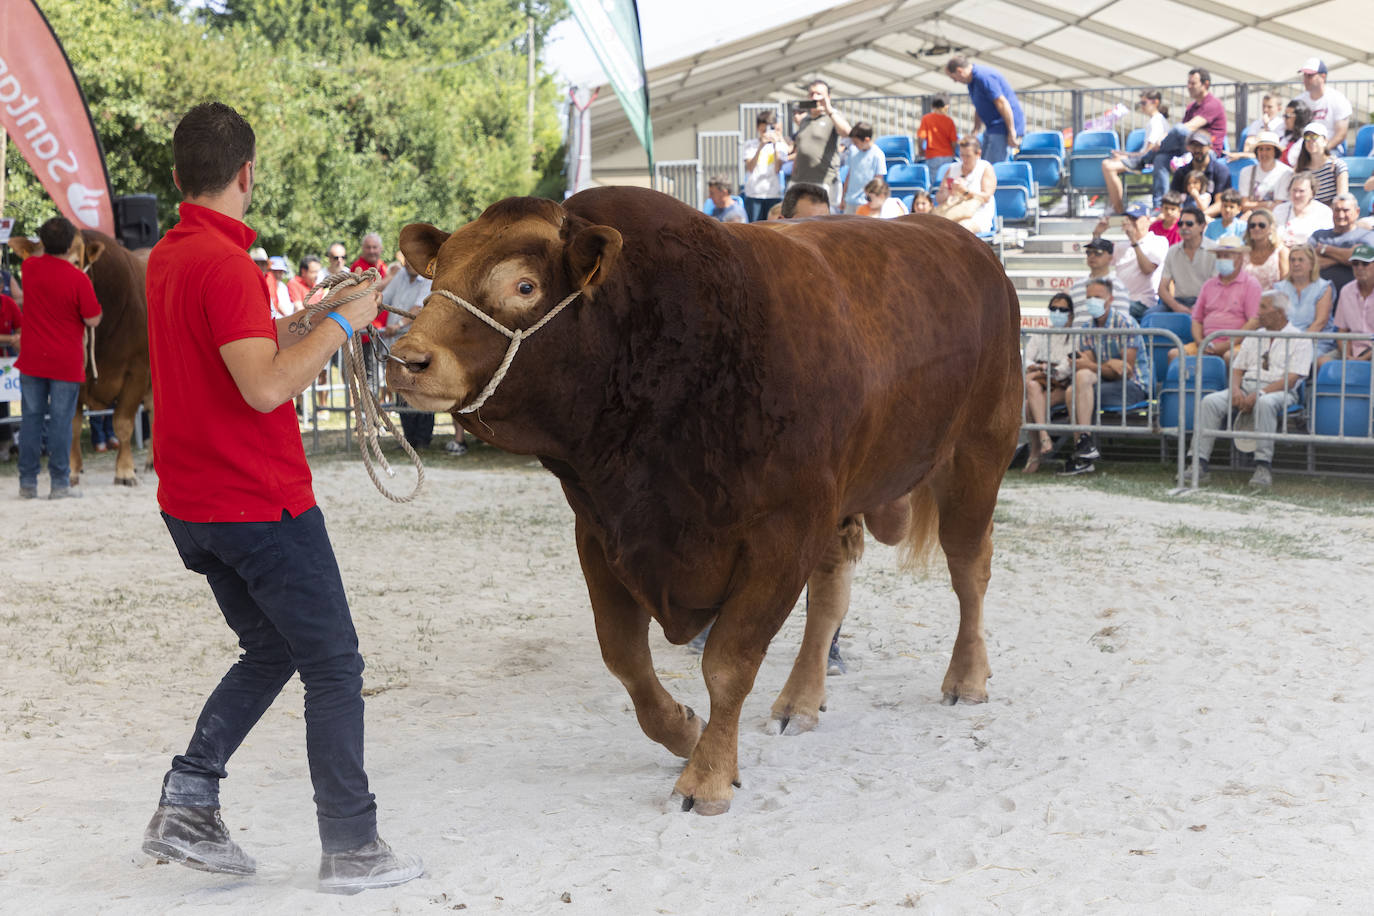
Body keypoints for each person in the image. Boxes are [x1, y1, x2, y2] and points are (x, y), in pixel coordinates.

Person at [140, 101, 422, 893]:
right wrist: (343, 326)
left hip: (194, 505)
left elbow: (243, 353)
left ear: (176, 176)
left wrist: (313, 314)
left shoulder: (170, 254)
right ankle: (353, 847)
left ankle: (190, 799)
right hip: (257, 503)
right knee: (333, 664)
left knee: (271, 650)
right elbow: (264, 388)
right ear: (246, 173)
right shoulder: (226, 264)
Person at [14, 216, 101, 500]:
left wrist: (46, 240)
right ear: (70, 245)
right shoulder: (78, 278)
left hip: (32, 358)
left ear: (43, 242)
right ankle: (59, 484)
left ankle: (27, 484)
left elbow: (40, 252)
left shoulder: (30, 267)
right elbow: (93, 319)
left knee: (31, 420)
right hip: (65, 361)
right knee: (61, 423)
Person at [1192, 289, 1312, 488]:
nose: (1258, 313)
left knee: (1264, 403)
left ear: (1279, 313)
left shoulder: (1300, 338)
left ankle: (1263, 466)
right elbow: (1238, 369)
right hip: (1247, 386)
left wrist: (1261, 393)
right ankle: (1198, 463)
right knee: (1210, 401)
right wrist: (1236, 389)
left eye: (1263, 307)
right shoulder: (1254, 335)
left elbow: (1290, 380)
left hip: (1279, 392)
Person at [1059, 279, 1146, 476]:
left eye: (1097, 297)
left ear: (1110, 299)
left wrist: (1097, 366)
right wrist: (1107, 366)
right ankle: (1085, 447)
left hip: (1132, 386)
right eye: (1089, 298)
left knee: (1078, 385)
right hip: (1103, 383)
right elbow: (1087, 368)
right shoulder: (1087, 328)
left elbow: (1126, 370)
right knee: (1076, 384)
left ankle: (1082, 452)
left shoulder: (1125, 323)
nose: (1092, 301)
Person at [1173, 234, 1262, 363]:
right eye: (1219, 256)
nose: (1221, 259)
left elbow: (1253, 321)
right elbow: (1196, 319)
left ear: (1240, 258)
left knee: (1230, 357)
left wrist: (1226, 344)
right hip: (1206, 342)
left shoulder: (1251, 284)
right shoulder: (1208, 285)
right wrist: (1200, 342)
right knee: (1175, 354)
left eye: (1227, 256)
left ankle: (1230, 384)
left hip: (1236, 344)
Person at [1150, 68, 1227, 207]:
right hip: (1189, 149)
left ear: (1206, 84)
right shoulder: (1191, 106)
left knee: (1179, 130)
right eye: (1188, 83)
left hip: (1208, 152)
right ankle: (1160, 206)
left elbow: (1188, 127)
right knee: (1161, 159)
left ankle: (1145, 157)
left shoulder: (1213, 104)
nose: (1189, 87)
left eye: (1193, 83)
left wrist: (1164, 138)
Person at [1022, 292, 1076, 473]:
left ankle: (1035, 453)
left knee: (1031, 401)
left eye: (1062, 309)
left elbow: (1065, 369)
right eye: (1053, 309)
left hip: (1062, 385)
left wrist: (1043, 369)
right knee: (1032, 388)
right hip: (1040, 382)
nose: (1057, 312)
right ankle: (1044, 437)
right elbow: (1026, 359)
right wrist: (1040, 368)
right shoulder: (1041, 334)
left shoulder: (1075, 336)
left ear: (1070, 313)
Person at [1093, 204, 1168, 319]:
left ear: (1147, 220)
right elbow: (1098, 261)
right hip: (1118, 299)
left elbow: (1147, 269)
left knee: (1108, 311)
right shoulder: (1122, 244)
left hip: (1143, 302)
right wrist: (1097, 235)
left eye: (1135, 219)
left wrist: (1134, 241)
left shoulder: (1158, 241)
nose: (1131, 223)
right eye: (1128, 219)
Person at [944, 55, 1023, 164]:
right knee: (983, 164)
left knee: (992, 166)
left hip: (1002, 127)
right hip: (992, 127)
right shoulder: (972, 82)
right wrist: (976, 129)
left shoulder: (983, 77)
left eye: (954, 78)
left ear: (959, 71)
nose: (955, 81)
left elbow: (1002, 103)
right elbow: (980, 106)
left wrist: (1011, 131)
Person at [1102, 90, 1169, 214]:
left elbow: (1147, 153)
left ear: (1155, 102)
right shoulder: (1155, 120)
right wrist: (1123, 155)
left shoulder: (1156, 122)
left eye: (1144, 102)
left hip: (1147, 161)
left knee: (1108, 166)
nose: (1142, 106)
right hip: (1144, 159)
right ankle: (1115, 206)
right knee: (1111, 162)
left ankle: (1118, 209)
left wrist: (1125, 155)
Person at [789, 79, 851, 211]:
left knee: (825, 221)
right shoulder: (805, 120)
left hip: (824, 181)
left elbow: (846, 132)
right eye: (811, 94)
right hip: (800, 180)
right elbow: (801, 148)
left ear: (827, 97)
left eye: (818, 94)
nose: (814, 97)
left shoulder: (833, 116)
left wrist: (829, 110)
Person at [1272, 243, 1336, 359]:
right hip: (1283, 342)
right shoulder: (1279, 288)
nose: (1296, 264)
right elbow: (1276, 321)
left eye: (1301, 260)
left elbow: (1320, 322)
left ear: (1312, 264)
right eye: (1292, 260)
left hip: (1315, 342)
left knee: (1299, 359)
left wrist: (1297, 344)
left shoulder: (1324, 287)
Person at [1155, 205, 1214, 316]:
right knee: (1151, 316)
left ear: (1202, 226)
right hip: (1179, 301)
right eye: (1180, 224)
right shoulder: (1173, 251)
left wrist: (1199, 307)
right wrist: (1176, 306)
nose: (1184, 227)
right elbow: (1162, 288)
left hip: (1208, 303)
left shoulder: (1214, 251)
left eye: (1189, 224)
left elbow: (1217, 288)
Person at [1309, 194, 1374, 294]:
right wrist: (1347, 257)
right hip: (1319, 297)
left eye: (1346, 210)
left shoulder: (1367, 235)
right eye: (1337, 210)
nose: (1341, 215)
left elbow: (1362, 259)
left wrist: (1325, 249)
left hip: (1355, 297)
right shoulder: (1318, 235)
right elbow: (1309, 261)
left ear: (1357, 212)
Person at [1323, 243, 1374, 366]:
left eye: (1365, 263)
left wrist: (1362, 360)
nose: (1359, 267)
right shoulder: (1346, 291)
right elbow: (1342, 331)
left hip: (1370, 352)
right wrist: (1347, 355)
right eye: (1355, 264)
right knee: (1322, 363)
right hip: (1352, 349)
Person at [934, 136, 997, 233]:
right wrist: (948, 193)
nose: (964, 159)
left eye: (968, 156)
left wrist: (965, 191)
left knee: (962, 228)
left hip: (977, 215)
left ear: (978, 154)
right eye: (962, 155)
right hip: (952, 213)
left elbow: (986, 197)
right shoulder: (952, 168)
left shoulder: (985, 168)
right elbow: (939, 198)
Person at [1292, 57, 1352, 153]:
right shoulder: (1298, 100)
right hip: (1304, 148)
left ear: (1323, 76)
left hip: (1331, 148)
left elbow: (1341, 134)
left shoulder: (1338, 99)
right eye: (1304, 75)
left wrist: (1323, 150)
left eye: (1310, 76)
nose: (1305, 79)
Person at [741, 110, 789, 223]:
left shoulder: (780, 146)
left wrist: (776, 144)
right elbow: (750, 167)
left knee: (774, 228)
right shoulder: (750, 144)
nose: (766, 133)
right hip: (754, 193)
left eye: (769, 129)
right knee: (755, 228)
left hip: (773, 193)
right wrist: (760, 146)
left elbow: (778, 168)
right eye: (763, 130)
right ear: (758, 128)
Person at [1168, 130, 1231, 206]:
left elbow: (1220, 203)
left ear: (1210, 147)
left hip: (1213, 216)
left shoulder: (1221, 171)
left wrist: (1202, 215)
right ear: (1188, 148)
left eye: (1201, 146)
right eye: (1193, 146)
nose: (1197, 150)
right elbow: (1173, 201)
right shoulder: (1181, 172)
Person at [1293, 122, 1348, 206]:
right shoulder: (1301, 169)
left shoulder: (1337, 165)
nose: (1310, 141)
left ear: (1325, 141)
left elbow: (1342, 198)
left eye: (1314, 137)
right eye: (1307, 137)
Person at [1273, 172, 1333, 248]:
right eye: (1294, 190)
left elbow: (1325, 242)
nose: (1297, 195)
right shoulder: (1279, 210)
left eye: (1301, 191)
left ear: (1312, 192)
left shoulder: (1324, 212)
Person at [1238, 131, 1293, 212]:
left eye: (1268, 149)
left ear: (1275, 151)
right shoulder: (1246, 172)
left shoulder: (1286, 172)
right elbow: (1244, 205)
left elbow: (1278, 206)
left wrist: (1254, 205)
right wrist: (1267, 204)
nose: (1264, 153)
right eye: (1261, 149)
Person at [1070, 238, 1129, 310]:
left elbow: (1122, 319)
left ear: (1110, 257)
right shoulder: (1077, 286)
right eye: (1089, 252)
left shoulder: (1118, 286)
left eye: (1098, 252)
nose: (1092, 256)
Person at [841, 122, 887, 214]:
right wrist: (843, 197)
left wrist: (872, 200)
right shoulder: (853, 151)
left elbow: (878, 181)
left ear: (867, 139)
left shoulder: (878, 155)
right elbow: (849, 175)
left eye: (856, 142)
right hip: (850, 201)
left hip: (866, 203)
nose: (854, 145)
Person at [1242, 207, 1289, 291]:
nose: (1256, 228)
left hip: (1272, 301)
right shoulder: (1242, 252)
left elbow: (1286, 284)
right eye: (1252, 225)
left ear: (1271, 228)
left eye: (1261, 225)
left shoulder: (1281, 252)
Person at [0, 289, 22, 459]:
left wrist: (17, 339)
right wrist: (11, 339)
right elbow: (15, 336)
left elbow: (21, 329)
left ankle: (6, 445)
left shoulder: (8, 303)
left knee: (4, 403)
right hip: (5, 356)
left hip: (5, 362)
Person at [917, 94, 958, 177]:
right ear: (946, 107)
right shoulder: (949, 121)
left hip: (933, 155)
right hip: (948, 155)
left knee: (934, 182)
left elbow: (921, 137)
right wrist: (953, 152)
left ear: (932, 106)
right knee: (946, 180)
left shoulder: (926, 119)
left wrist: (921, 150)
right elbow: (953, 141)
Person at [1278, 98, 1313, 167]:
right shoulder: (1286, 136)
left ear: (1299, 118)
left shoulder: (1307, 139)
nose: (1284, 119)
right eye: (1284, 116)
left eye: (1287, 116)